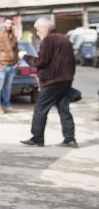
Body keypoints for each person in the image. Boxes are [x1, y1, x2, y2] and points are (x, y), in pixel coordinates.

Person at [20, 17, 77, 148]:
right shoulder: (64, 39)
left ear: (46, 28)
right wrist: (69, 77)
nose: (37, 32)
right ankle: (70, 139)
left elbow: (41, 61)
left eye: (38, 29)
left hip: (52, 80)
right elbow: (72, 62)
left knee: (40, 108)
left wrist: (25, 57)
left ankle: (37, 138)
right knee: (64, 109)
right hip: (65, 79)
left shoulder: (48, 40)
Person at [0, 17, 20, 115]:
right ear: (3, 23)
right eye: (8, 23)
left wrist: (18, 61)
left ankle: (6, 105)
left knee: (8, 87)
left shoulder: (13, 36)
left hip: (11, 65)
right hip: (2, 65)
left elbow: (16, 50)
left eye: (11, 23)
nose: (9, 25)